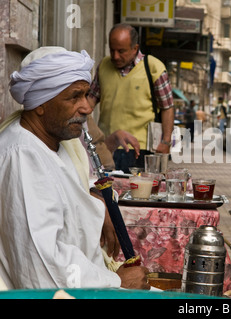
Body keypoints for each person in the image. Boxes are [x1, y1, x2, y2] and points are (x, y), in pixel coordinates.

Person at [0, 46, 150, 290]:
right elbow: (41, 269)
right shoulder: (23, 156)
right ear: (41, 104)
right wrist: (117, 282)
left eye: (87, 95)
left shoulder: (54, 144)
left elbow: (62, 189)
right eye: (74, 97)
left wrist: (96, 201)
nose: (87, 108)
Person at [88, 23, 175, 173]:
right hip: (107, 147)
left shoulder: (154, 68)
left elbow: (167, 108)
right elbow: (89, 102)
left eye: (121, 51)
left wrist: (165, 142)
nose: (115, 56)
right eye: (112, 50)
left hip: (140, 150)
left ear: (135, 48)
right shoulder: (103, 66)